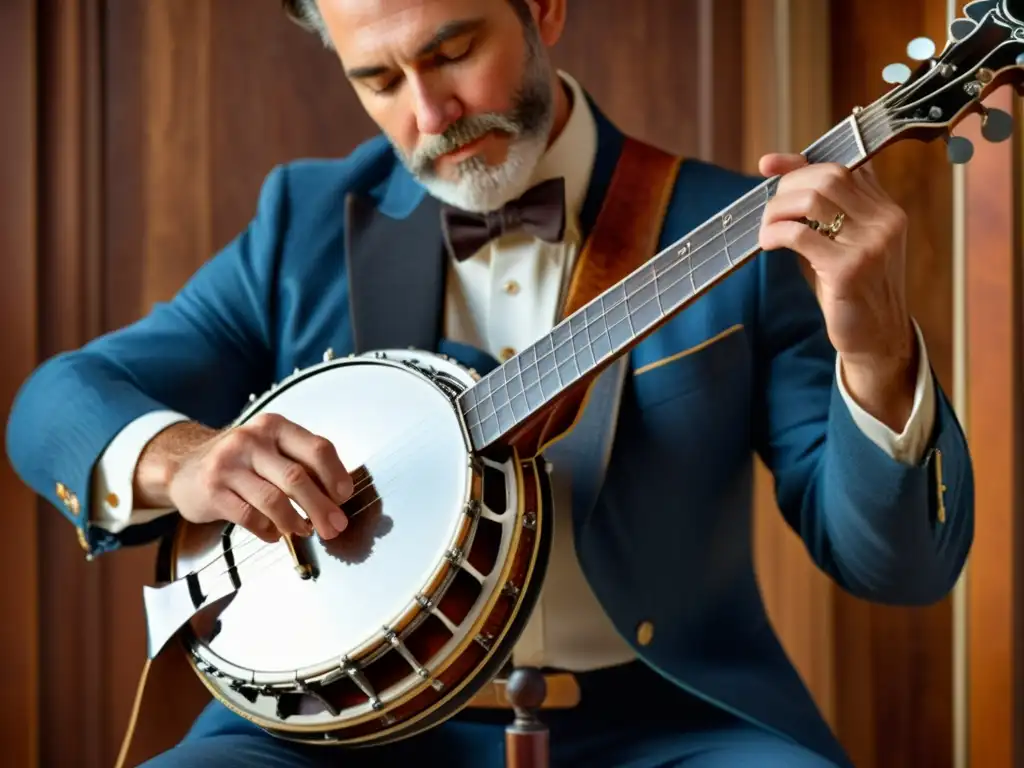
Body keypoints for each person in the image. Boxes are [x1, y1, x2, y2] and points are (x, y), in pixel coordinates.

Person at [6, 0, 973, 766]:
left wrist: (879, 350)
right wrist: (183, 461)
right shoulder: (302, 224)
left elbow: (897, 567)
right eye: (377, 80)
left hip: (668, 724)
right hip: (336, 730)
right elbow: (59, 400)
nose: (427, 116)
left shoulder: (739, 233)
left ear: (543, 8)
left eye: (454, 51)